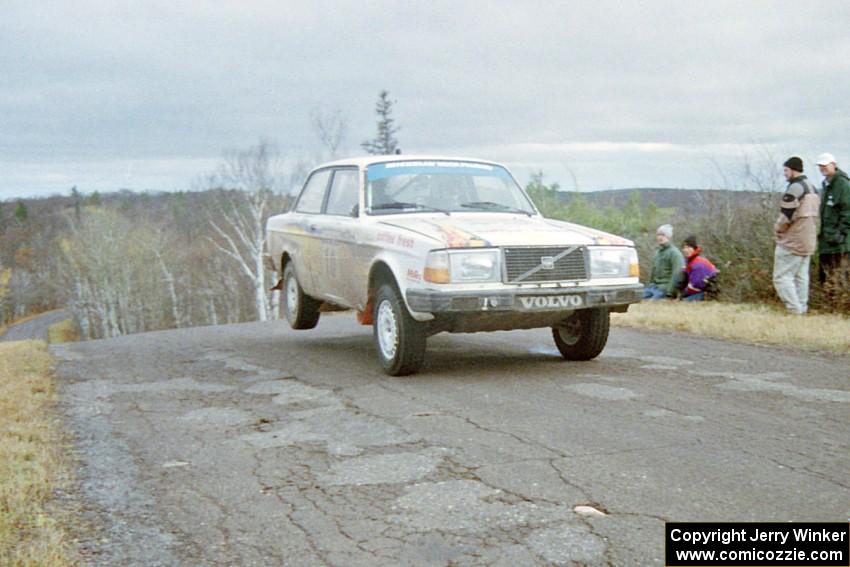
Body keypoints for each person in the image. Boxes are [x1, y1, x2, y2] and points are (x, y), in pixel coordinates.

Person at [773, 156, 820, 314]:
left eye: (786, 170)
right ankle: (802, 309)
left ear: (793, 170)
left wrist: (777, 229)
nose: (785, 174)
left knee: (781, 278)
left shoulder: (795, 188)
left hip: (793, 240)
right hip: (809, 239)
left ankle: (795, 311)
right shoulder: (813, 188)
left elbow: (785, 216)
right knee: (801, 278)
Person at [815, 153, 850, 296]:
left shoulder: (843, 185)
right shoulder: (827, 185)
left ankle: (840, 307)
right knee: (825, 276)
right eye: (820, 166)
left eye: (825, 165)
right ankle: (829, 306)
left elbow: (847, 211)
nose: (822, 168)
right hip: (826, 241)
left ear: (833, 165)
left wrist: (841, 234)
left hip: (840, 243)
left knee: (840, 276)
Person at [643, 224, 684, 300]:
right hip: (653, 287)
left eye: (663, 235)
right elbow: (653, 271)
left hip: (664, 288)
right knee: (638, 298)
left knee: (651, 302)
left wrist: (670, 292)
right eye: (658, 235)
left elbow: (677, 274)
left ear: (669, 236)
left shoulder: (675, 253)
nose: (660, 237)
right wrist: (650, 284)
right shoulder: (658, 253)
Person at [679, 236, 718, 301]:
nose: (685, 250)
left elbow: (696, 286)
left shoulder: (698, 263)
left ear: (694, 248)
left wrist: (684, 292)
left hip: (707, 291)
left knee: (684, 301)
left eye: (688, 247)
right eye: (684, 248)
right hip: (698, 290)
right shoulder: (689, 261)